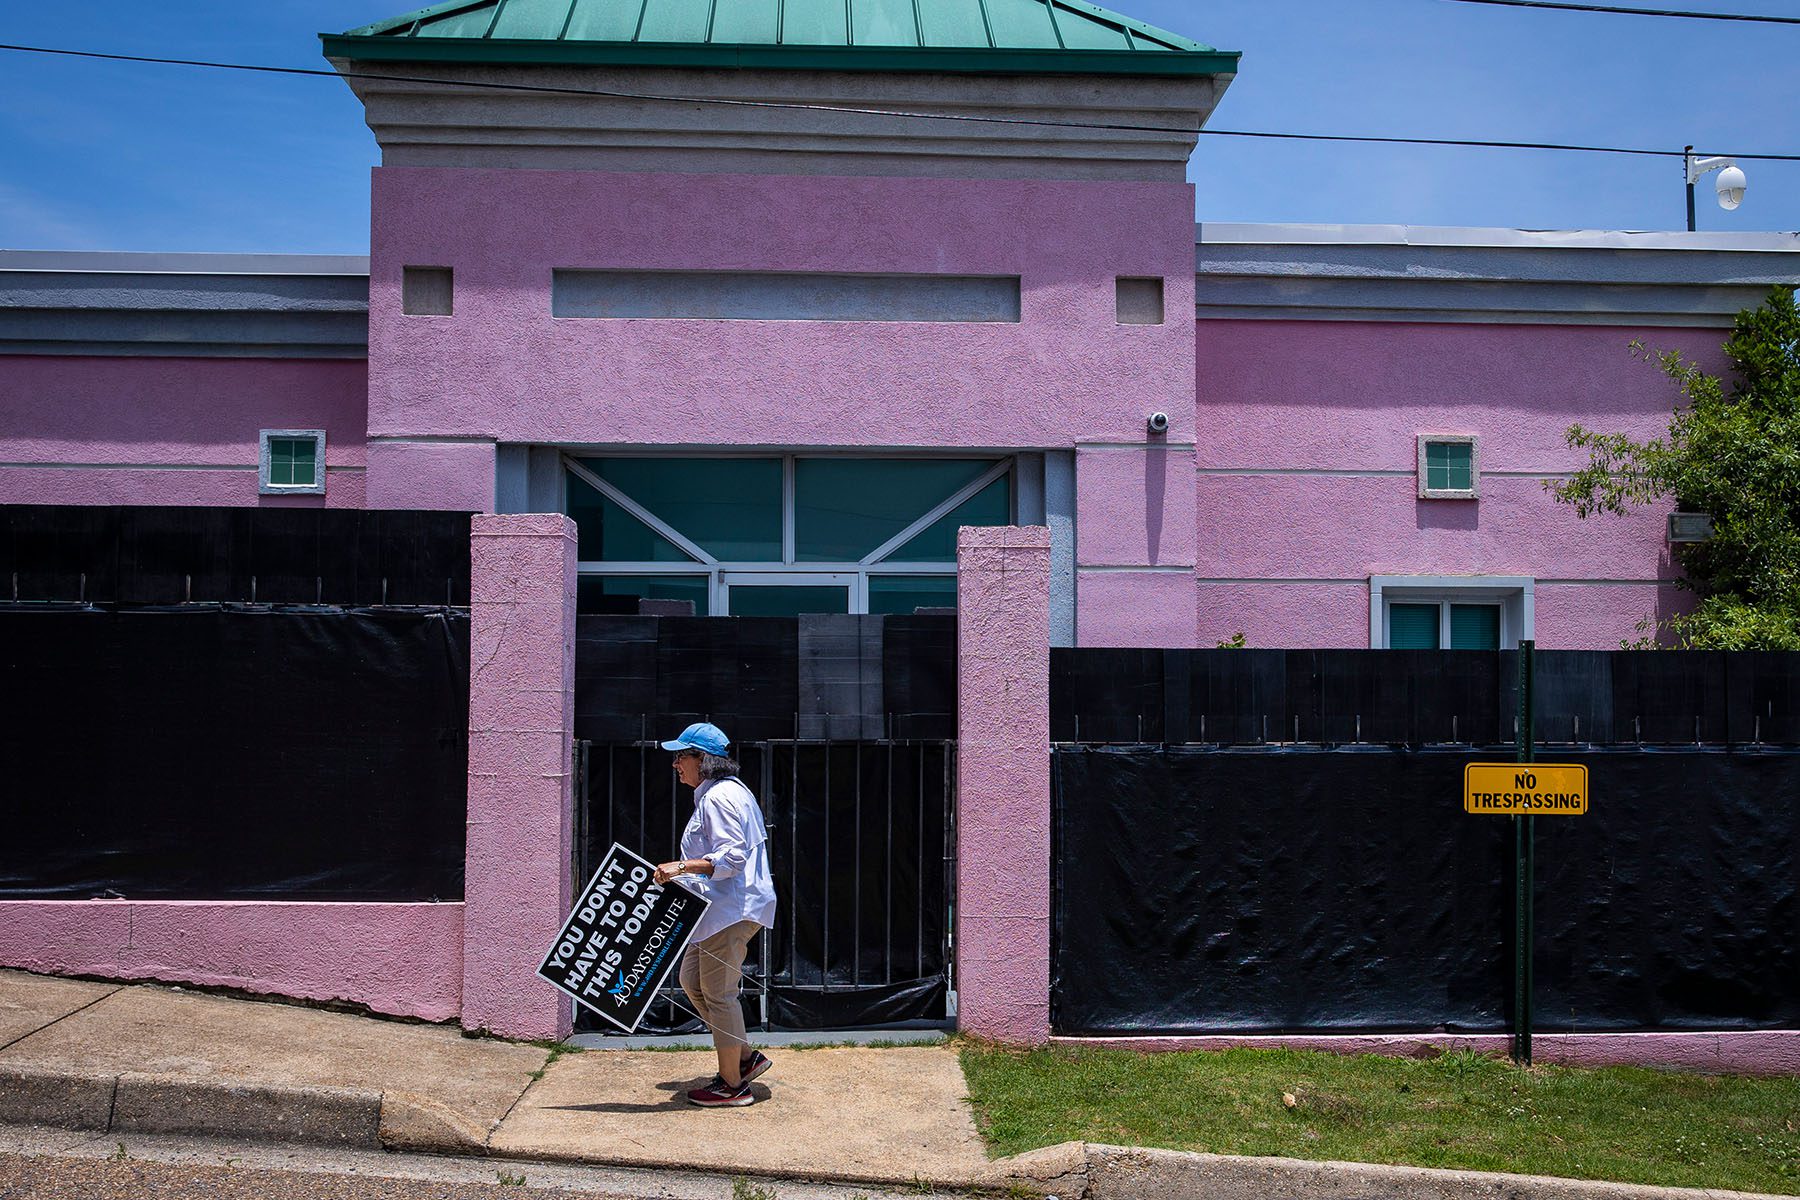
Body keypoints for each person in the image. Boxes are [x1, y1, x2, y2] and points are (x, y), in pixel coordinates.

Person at [652, 721, 778, 1108]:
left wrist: (682, 867)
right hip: (719, 910)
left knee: (719, 994)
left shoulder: (720, 797)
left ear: (702, 761)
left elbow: (732, 857)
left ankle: (732, 1086)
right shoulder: (719, 794)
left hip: (732, 910)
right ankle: (742, 1057)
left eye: (681, 756)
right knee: (692, 980)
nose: (676, 764)